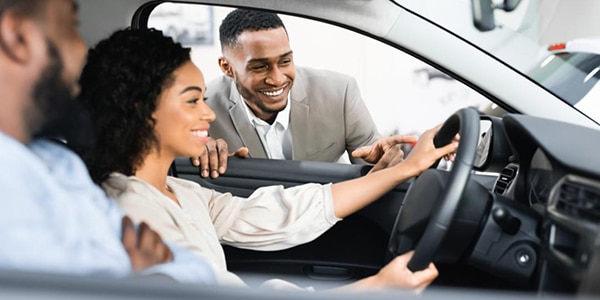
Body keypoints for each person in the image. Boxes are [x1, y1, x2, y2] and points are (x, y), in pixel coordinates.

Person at [77, 27, 457, 291]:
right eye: (193, 101)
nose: (208, 114)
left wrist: (406, 168)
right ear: (142, 110)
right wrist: (379, 287)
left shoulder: (180, 191)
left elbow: (279, 212)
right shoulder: (132, 215)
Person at [0, 0, 214, 284]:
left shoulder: (61, 165)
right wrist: (148, 282)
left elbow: (199, 273)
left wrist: (147, 278)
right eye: (71, 29)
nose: (81, 51)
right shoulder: (11, 185)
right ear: (18, 36)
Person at [197, 8, 415, 172]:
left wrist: (385, 162)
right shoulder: (200, 108)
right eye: (260, 67)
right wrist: (197, 155)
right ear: (227, 67)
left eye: (285, 61)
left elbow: (376, 168)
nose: (277, 79)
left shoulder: (339, 94)